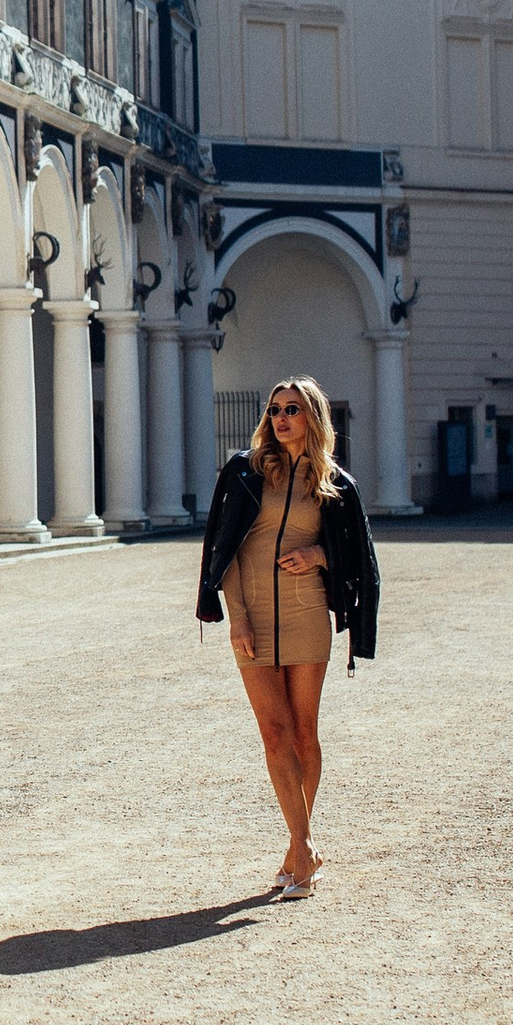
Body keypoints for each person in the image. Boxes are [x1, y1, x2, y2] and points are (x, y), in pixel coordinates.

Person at [194, 377, 380, 899]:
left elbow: (357, 556)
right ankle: (306, 848)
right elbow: (221, 550)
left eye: (292, 409)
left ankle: (298, 848)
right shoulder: (245, 472)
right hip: (252, 616)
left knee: (304, 734)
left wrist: (318, 556)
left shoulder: (334, 483)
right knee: (273, 734)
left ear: (313, 417)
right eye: (274, 409)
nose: (280, 417)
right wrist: (238, 617)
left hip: (305, 616)